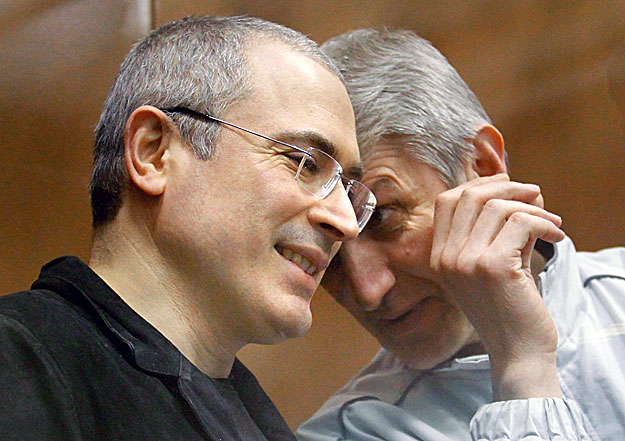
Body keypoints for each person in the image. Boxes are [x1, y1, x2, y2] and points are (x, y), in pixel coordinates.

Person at [0, 16, 377, 441]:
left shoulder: (256, 419)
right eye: (304, 162)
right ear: (154, 152)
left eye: (348, 189)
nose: (346, 222)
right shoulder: (20, 362)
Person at [297, 29, 625, 441]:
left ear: (482, 168)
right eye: (328, 248)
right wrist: (522, 367)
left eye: (381, 217)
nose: (367, 290)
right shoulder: (349, 432)